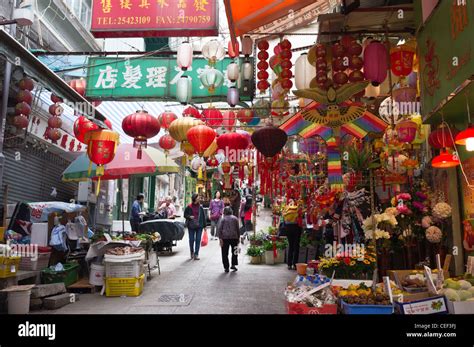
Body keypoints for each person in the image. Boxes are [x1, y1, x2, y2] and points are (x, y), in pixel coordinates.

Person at [217, 207, 240, 273]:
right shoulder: (235, 218)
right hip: (234, 238)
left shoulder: (223, 219)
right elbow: (237, 229)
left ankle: (226, 267)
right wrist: (238, 238)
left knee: (224, 253)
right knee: (235, 252)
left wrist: (220, 238)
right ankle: (233, 265)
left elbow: (219, 229)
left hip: (225, 238)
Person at [184, 193, 206, 260]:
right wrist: (189, 217)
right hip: (191, 225)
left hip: (199, 226)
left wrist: (204, 226)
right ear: (195, 198)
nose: (199, 198)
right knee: (191, 239)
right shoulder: (189, 207)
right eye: (198, 197)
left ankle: (196, 254)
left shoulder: (201, 207)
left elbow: (203, 216)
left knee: (198, 240)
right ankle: (192, 252)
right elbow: (185, 215)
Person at [283, 199, 302, 270]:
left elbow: (284, 219)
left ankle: (289, 264)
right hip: (296, 227)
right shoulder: (298, 208)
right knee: (296, 246)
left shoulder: (286, 208)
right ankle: (295, 264)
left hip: (288, 228)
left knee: (290, 246)